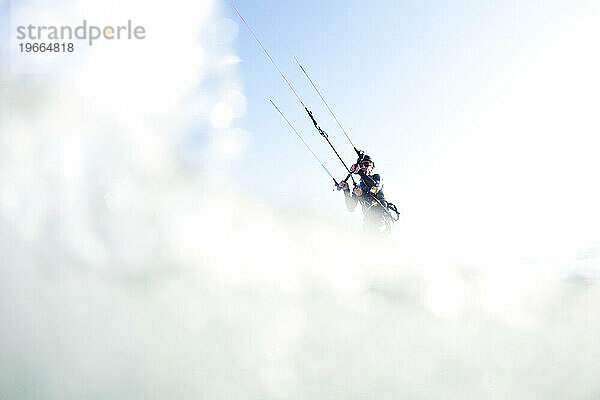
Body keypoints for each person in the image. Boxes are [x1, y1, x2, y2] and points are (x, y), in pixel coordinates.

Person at [338, 154, 392, 235]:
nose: (363, 167)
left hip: (381, 218)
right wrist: (346, 190)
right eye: (361, 165)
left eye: (366, 165)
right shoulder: (358, 187)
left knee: (378, 239)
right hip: (368, 221)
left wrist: (360, 172)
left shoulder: (377, 178)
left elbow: (374, 189)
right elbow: (351, 207)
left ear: (372, 167)